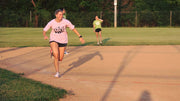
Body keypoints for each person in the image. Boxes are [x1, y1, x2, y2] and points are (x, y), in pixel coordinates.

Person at [43, 9, 85, 78]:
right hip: (53, 39)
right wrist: (45, 35)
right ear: (56, 15)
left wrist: (80, 36)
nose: (61, 16)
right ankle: (57, 72)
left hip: (63, 40)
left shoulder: (66, 21)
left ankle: (53, 52)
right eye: (59, 14)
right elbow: (44, 30)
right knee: (56, 55)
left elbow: (73, 28)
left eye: (62, 14)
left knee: (60, 58)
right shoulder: (51, 22)